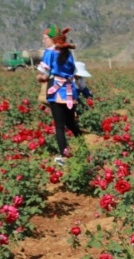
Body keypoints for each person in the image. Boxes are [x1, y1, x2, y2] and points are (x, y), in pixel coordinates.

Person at [37, 26, 81, 164]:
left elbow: (44, 74)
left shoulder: (49, 53)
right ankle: (84, 150)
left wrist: (40, 78)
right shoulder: (67, 53)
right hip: (70, 91)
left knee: (59, 127)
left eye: (45, 39)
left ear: (53, 39)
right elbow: (73, 70)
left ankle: (64, 156)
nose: (43, 41)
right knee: (71, 124)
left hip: (56, 92)